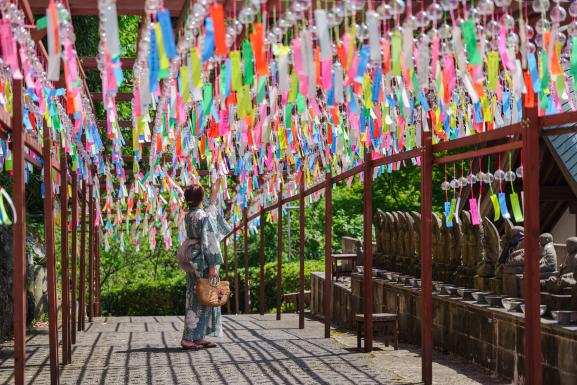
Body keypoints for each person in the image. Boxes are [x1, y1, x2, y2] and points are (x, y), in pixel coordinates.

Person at [181, 176, 231, 350]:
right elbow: (210, 239)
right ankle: (189, 338)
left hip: (193, 259)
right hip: (203, 260)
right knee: (204, 297)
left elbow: (208, 215)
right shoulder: (202, 216)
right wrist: (212, 266)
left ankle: (198, 337)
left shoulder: (190, 215)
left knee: (195, 297)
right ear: (201, 198)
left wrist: (214, 194)